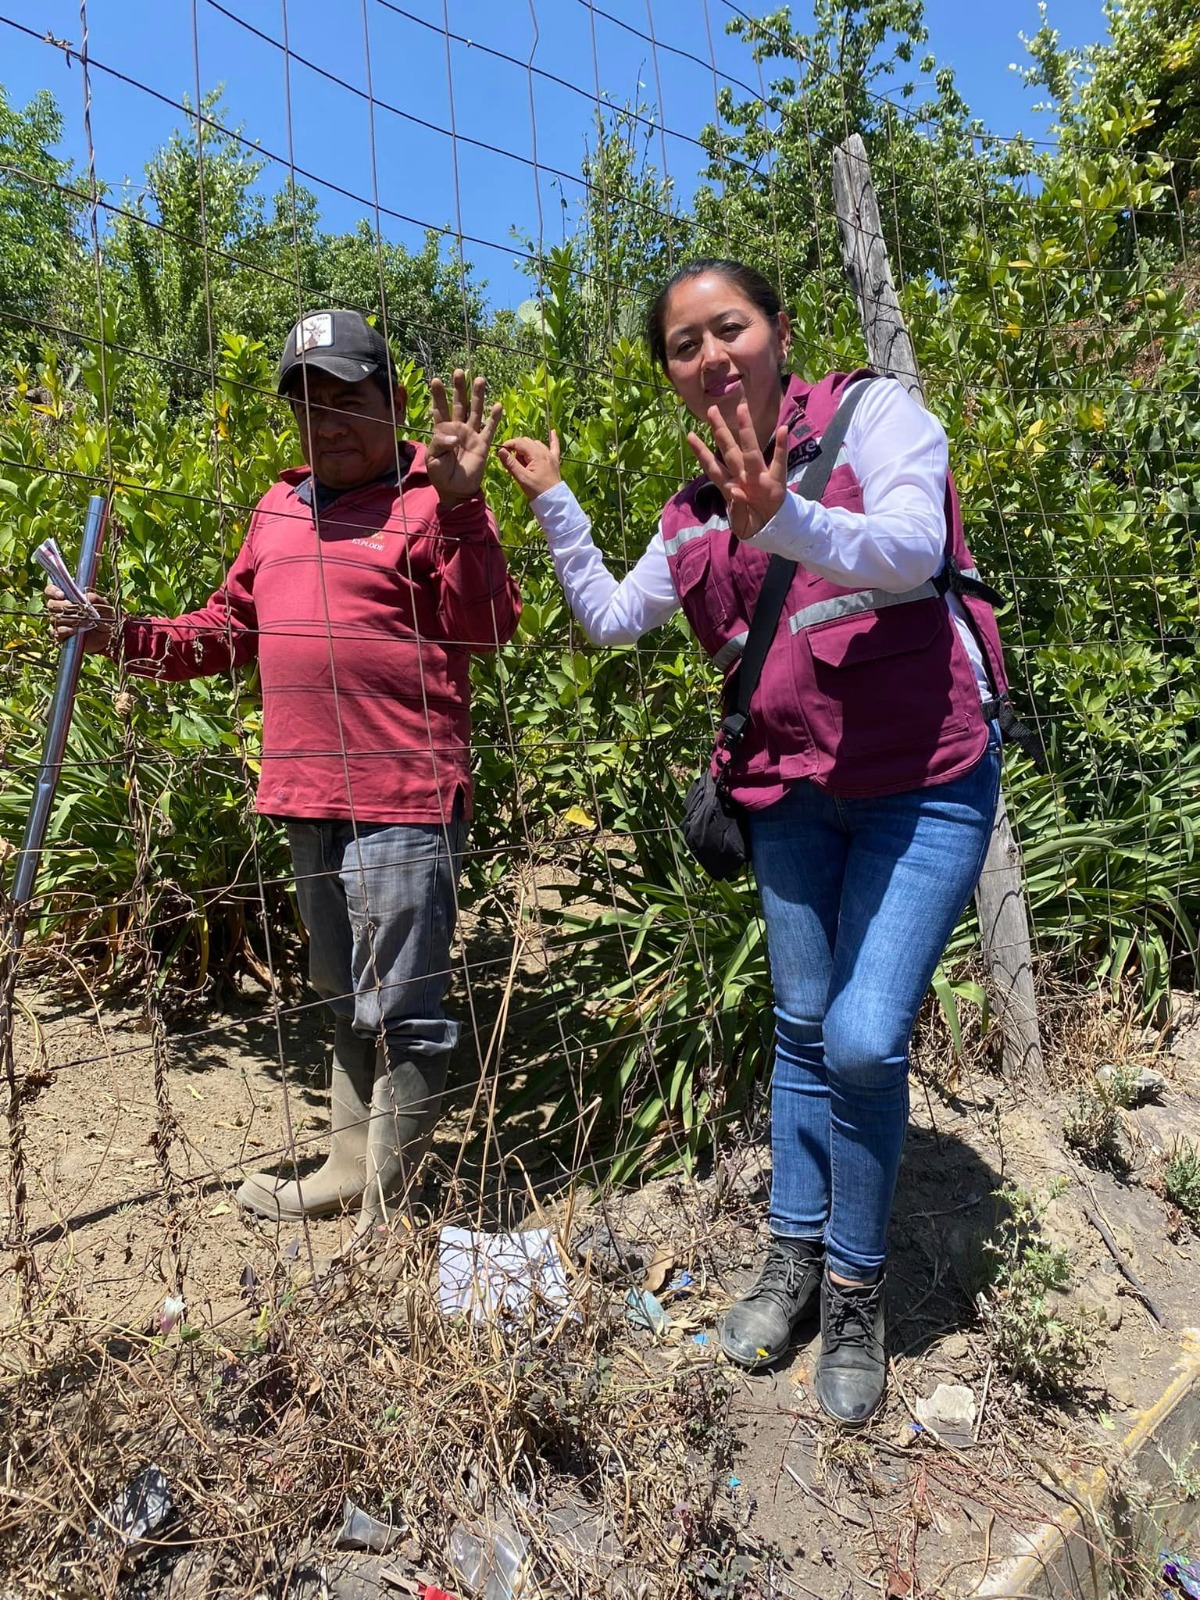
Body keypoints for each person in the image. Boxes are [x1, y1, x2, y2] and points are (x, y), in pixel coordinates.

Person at [499, 259, 1007, 1424]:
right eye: (685, 345)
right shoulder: (689, 512)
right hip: (786, 797)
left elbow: (915, 547)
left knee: (866, 1039)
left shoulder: (876, 415)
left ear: (778, 331)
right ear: (672, 375)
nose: (712, 354)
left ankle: (857, 1281)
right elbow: (611, 617)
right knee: (798, 1029)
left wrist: (787, 518)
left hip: (924, 783)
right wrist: (552, 497)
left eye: (730, 327)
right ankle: (791, 1256)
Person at [48, 309, 521, 1242]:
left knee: (404, 1005)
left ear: (393, 402)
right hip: (308, 793)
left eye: (349, 400)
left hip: (404, 796)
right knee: (343, 991)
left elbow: (486, 628)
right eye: (308, 405)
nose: (328, 424)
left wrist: (465, 506)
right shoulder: (279, 507)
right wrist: (123, 636)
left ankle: (389, 1208)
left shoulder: (434, 498)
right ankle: (349, 1170)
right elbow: (226, 630)